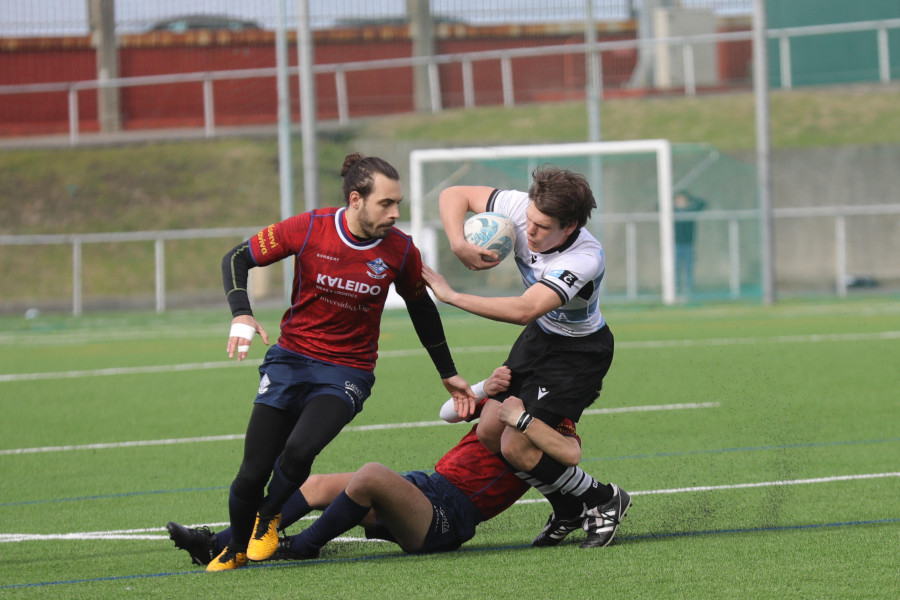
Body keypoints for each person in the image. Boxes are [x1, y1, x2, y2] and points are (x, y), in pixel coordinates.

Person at [206, 153, 476, 572]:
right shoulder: (309, 227)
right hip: (290, 361)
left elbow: (423, 310)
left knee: (298, 451)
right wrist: (241, 312)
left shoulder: (401, 251)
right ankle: (237, 549)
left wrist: (448, 373)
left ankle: (268, 518)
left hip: (347, 372)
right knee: (251, 472)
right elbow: (237, 257)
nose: (396, 212)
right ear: (355, 199)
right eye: (386, 203)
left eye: (398, 202)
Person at [167, 367, 582, 566]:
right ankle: (220, 543)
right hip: (427, 489)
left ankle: (302, 548)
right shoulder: (508, 407)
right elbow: (446, 411)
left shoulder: (550, 432)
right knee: (316, 484)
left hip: (447, 520)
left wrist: (523, 420)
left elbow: (569, 457)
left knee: (370, 475)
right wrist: (482, 389)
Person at [421, 165, 630, 549]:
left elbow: (524, 310)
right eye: (529, 220)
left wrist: (451, 296)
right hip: (540, 337)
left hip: (578, 354)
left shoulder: (584, 258)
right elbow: (455, 196)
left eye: (541, 227)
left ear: (569, 228)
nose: (528, 231)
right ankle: (566, 507)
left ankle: (601, 497)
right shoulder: (522, 208)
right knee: (487, 430)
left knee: (516, 443)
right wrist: (458, 242)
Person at [673, 191, 707, 297]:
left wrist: (691, 198)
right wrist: (670, 197)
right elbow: (658, 206)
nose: (681, 202)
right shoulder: (673, 211)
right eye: (679, 200)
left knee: (688, 267)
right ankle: (675, 288)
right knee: (675, 267)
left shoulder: (690, 210)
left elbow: (703, 203)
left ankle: (689, 288)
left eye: (683, 200)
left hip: (688, 244)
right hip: (675, 245)